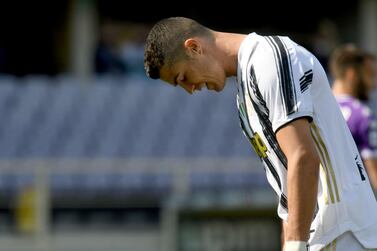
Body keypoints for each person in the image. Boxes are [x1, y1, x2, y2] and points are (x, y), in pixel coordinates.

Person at [144, 17, 377, 251]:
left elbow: (303, 156)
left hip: (341, 231)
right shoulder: (244, 94)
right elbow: (287, 189)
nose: (189, 88)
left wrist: (296, 245)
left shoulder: (268, 59)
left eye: (183, 77)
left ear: (194, 48)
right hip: (323, 235)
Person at [330, 45, 377, 193]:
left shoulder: (312, 109)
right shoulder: (362, 115)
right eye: (370, 75)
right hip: (354, 209)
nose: (373, 84)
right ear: (352, 74)